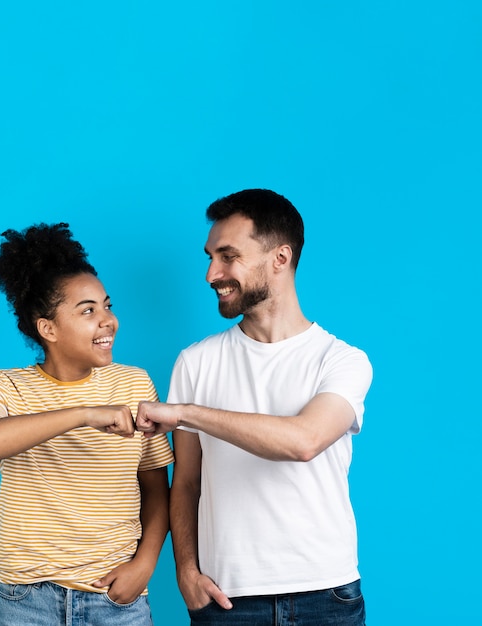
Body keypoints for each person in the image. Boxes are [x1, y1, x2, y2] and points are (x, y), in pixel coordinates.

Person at [136, 189, 373, 625]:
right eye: (209, 257)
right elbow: (186, 483)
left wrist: (186, 412)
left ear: (280, 258)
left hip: (327, 594)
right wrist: (185, 571)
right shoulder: (196, 361)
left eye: (228, 256)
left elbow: (304, 441)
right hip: (226, 599)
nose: (212, 273)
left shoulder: (341, 360)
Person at [0, 222, 173, 626]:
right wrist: (83, 414)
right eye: (88, 311)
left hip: (115, 600)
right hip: (25, 601)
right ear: (48, 328)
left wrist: (145, 565)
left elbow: (155, 484)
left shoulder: (134, 382)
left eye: (107, 306)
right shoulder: (5, 385)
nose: (108, 320)